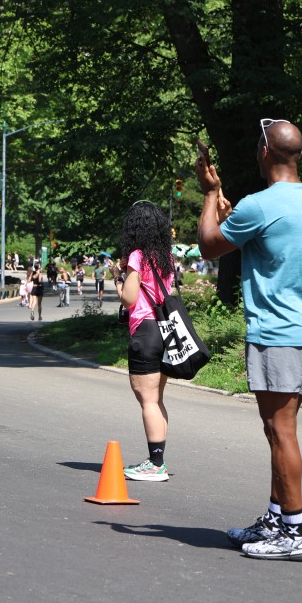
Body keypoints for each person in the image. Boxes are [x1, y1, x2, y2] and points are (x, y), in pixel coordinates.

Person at [195, 118, 302, 562]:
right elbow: (267, 244)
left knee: (281, 431)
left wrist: (210, 194)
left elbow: (208, 246)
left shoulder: (260, 204)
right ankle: (276, 519)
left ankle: (295, 533)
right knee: (277, 430)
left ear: (265, 152)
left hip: (278, 332)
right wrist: (232, 215)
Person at [112, 202, 176, 482]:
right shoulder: (166, 256)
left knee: (147, 400)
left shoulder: (137, 256)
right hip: (164, 330)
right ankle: (157, 459)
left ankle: (155, 464)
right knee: (156, 399)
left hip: (145, 331)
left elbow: (129, 298)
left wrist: (118, 278)